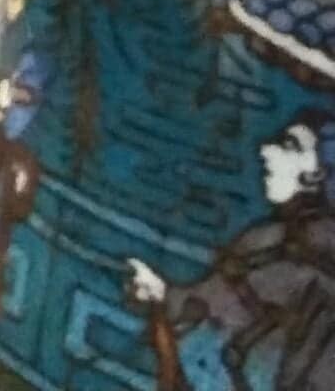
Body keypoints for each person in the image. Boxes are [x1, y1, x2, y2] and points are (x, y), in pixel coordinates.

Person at [124, 121, 335, 389]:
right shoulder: (263, 240)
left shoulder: (310, 248)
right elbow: (209, 299)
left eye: (289, 146)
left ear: (317, 173)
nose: (266, 151)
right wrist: (160, 293)